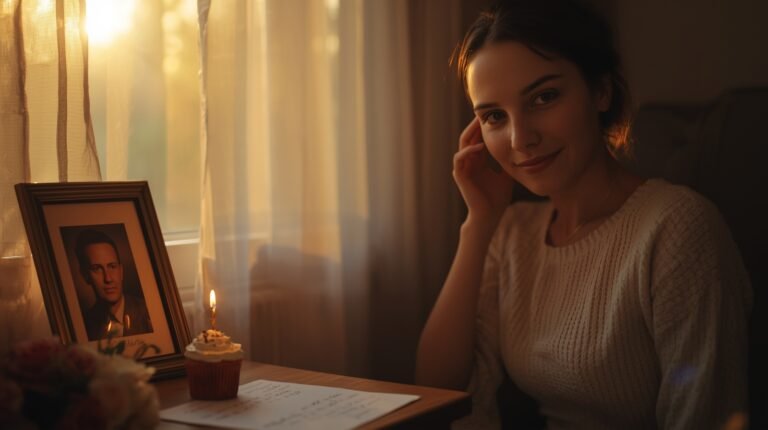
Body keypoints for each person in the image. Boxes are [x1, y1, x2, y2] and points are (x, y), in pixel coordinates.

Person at [415, 1, 752, 429]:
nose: (521, 139)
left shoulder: (677, 227)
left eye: (544, 97)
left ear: (601, 91)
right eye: (494, 116)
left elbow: (705, 412)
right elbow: (437, 391)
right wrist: (478, 223)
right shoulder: (514, 232)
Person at [75, 229, 153, 340]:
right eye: (97, 269)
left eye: (112, 266)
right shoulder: (83, 325)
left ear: (121, 271)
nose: (108, 278)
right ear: (85, 275)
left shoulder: (150, 313)